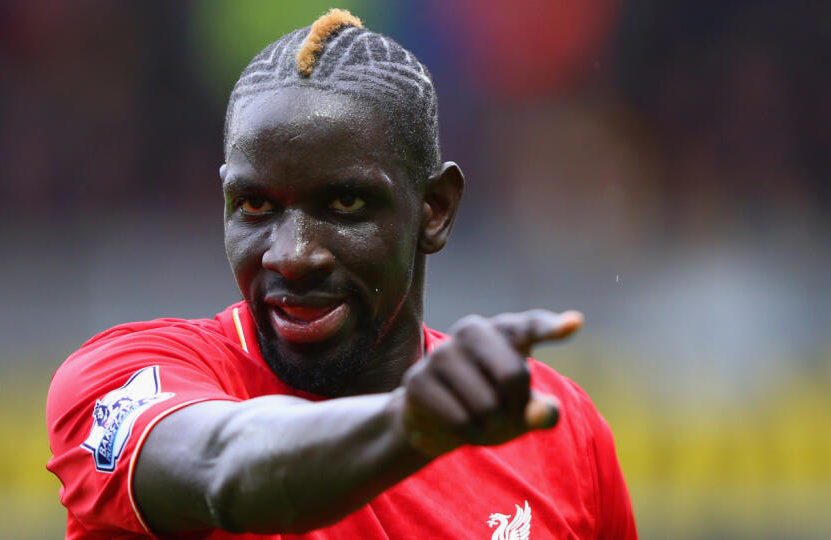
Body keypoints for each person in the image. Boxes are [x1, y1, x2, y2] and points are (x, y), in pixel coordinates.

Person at [46, 9, 637, 539]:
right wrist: (413, 425)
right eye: (255, 206)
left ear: (435, 211)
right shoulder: (117, 380)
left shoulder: (558, 434)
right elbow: (228, 471)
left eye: (345, 204)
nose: (293, 255)